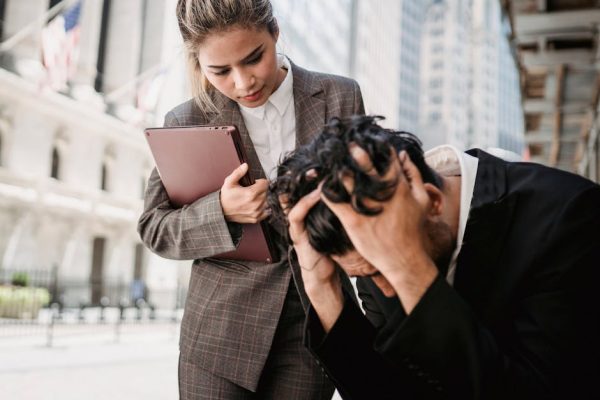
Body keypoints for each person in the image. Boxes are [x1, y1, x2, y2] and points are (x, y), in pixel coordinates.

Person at [270, 115, 600, 399]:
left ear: (432, 200)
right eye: (366, 275)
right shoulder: (375, 264)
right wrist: (322, 288)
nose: (385, 289)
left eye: (385, 267)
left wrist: (408, 268)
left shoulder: (570, 217)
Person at [137, 0, 364, 398]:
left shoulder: (341, 97)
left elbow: (365, 203)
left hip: (312, 330)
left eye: (254, 58)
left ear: (274, 31)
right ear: (198, 63)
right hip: (219, 339)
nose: (243, 83)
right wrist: (222, 211)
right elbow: (155, 228)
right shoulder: (186, 120)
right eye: (220, 71)